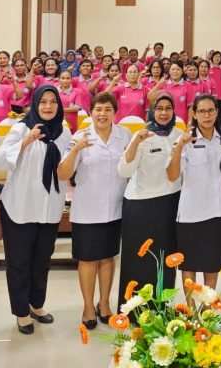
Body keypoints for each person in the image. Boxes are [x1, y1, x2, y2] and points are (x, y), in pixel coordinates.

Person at [0, 85, 72, 334]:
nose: (48, 107)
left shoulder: (63, 133)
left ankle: (36, 304)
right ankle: (21, 312)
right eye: (43, 102)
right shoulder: (21, 128)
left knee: (41, 261)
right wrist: (25, 142)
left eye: (53, 102)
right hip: (20, 206)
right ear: (35, 105)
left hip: (49, 207)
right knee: (19, 262)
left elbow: (67, 166)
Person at [56, 92, 131, 329]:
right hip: (87, 210)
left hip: (115, 207)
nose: (103, 114)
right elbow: (63, 173)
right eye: (98, 109)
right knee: (88, 259)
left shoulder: (124, 135)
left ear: (114, 112)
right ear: (91, 112)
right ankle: (88, 306)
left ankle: (105, 304)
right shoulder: (80, 137)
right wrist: (76, 150)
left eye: (108, 109)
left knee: (108, 258)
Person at [116, 92, 182, 313]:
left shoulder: (179, 134)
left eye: (168, 108)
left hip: (169, 203)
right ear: (152, 111)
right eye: (159, 108)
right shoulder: (142, 135)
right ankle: (135, 311)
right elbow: (124, 170)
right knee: (139, 260)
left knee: (164, 261)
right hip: (140, 205)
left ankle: (161, 310)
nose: (164, 113)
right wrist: (135, 141)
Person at [167, 95, 221, 291]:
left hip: (218, 211)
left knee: (213, 264)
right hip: (191, 212)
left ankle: (209, 312)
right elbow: (172, 175)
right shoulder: (185, 139)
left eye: (211, 110)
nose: (207, 115)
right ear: (194, 114)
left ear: (217, 112)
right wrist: (179, 147)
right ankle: (191, 312)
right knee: (190, 264)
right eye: (202, 111)